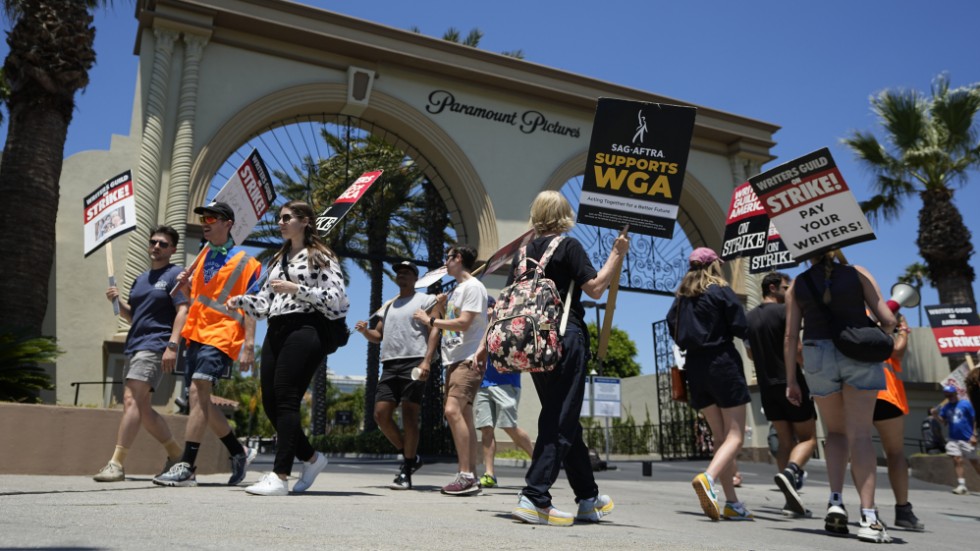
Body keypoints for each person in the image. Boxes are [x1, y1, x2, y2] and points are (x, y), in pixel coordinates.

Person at [480, 190, 627, 526]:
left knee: (564, 419)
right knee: (559, 419)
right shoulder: (568, 246)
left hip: (534, 344)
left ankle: (588, 498)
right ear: (564, 215)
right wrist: (616, 255)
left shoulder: (522, 254)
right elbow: (595, 288)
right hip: (565, 338)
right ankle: (534, 496)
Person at [227, 200, 349, 495]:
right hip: (277, 328)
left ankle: (280, 475)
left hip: (306, 328)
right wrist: (241, 300)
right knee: (270, 400)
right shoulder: (278, 260)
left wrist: (298, 290)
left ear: (305, 221)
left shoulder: (319, 256)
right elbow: (265, 304)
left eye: (286, 218)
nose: (280, 223)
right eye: (279, 219)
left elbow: (338, 299)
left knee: (286, 397)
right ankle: (312, 458)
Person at [785, 249, 896, 543]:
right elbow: (888, 318)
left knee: (834, 432)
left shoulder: (798, 283)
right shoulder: (858, 273)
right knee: (860, 435)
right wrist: (879, 328)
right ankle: (869, 517)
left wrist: (790, 380)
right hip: (857, 348)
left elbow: (790, 336)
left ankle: (835, 501)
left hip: (816, 354)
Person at [153, 201, 261, 487]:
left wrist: (249, 344)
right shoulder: (200, 257)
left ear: (228, 223)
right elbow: (194, 298)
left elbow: (252, 305)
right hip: (196, 333)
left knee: (199, 387)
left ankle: (187, 465)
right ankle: (240, 451)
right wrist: (184, 284)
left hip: (224, 333)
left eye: (212, 217)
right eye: (203, 217)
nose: (206, 221)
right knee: (197, 398)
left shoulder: (247, 262)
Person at [93, 226, 189, 482]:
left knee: (131, 400)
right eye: (153, 242)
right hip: (135, 345)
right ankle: (177, 454)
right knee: (143, 408)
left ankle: (116, 464)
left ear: (172, 249)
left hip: (156, 345)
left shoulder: (175, 274)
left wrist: (172, 345)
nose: (156, 246)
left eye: (163, 243)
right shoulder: (141, 279)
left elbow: (182, 310)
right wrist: (118, 302)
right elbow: (134, 316)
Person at [668, 247, 752, 522]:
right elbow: (741, 325)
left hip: (695, 366)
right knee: (735, 435)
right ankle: (708, 477)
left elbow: (673, 327)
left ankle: (732, 503)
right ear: (714, 265)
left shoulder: (681, 298)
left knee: (719, 437)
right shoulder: (720, 290)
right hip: (722, 363)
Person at [354, 260, 441, 490]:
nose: (401, 275)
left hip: (415, 361)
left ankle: (406, 470)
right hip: (389, 364)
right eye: (398, 273)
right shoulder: (389, 305)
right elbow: (377, 336)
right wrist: (365, 331)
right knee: (380, 414)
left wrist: (427, 360)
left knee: (410, 415)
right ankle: (410, 457)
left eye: (406, 272)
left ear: (415, 277)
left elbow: (435, 331)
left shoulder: (426, 300)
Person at [415, 244, 488, 496]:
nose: (445, 263)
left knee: (451, 410)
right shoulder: (458, 289)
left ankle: (465, 475)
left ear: (458, 258)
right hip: (454, 360)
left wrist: (430, 320)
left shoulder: (473, 287)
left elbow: (464, 323)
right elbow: (451, 323)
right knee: (465, 416)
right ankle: (472, 476)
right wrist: (441, 308)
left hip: (467, 360)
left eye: (448, 258)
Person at [744, 271, 817, 518]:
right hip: (791, 382)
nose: (790, 292)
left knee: (785, 441)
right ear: (773, 288)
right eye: (786, 287)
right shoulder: (787, 311)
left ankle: (790, 500)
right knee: (808, 438)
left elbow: (751, 354)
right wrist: (807, 368)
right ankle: (791, 472)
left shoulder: (749, 318)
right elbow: (796, 348)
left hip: (767, 388)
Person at [475, 297, 534, 488]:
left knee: (508, 426)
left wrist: (496, 320)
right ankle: (489, 474)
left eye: (488, 308)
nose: (485, 312)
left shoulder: (509, 323)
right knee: (486, 429)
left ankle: (539, 461)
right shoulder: (481, 330)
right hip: (485, 383)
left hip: (507, 383)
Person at [872, 313, 923, 530]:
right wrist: (903, 329)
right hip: (884, 395)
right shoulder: (879, 323)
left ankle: (870, 510)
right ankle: (901, 509)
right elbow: (897, 350)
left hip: (861, 392)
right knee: (895, 453)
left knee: (860, 448)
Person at [937, 384, 979, 495]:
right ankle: (961, 485)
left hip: (967, 438)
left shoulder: (965, 404)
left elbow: (974, 419)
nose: (949, 397)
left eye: (951, 394)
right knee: (957, 459)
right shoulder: (946, 407)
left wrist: (974, 434)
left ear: (956, 393)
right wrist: (936, 415)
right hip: (953, 438)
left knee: (975, 462)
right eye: (947, 395)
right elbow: (944, 422)